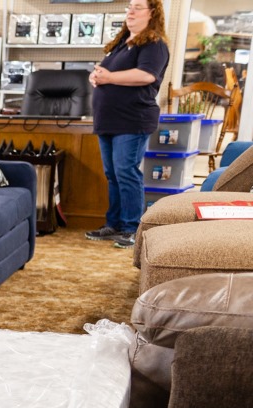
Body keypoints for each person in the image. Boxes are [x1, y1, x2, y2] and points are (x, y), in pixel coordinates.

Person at [86, 0, 169, 249]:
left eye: (137, 7)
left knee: (126, 172)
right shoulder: (122, 43)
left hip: (132, 119)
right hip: (108, 119)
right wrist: (96, 76)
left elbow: (146, 75)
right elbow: (106, 73)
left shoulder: (154, 44)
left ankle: (132, 228)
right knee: (113, 174)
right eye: (129, 6)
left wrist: (109, 77)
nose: (130, 11)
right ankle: (113, 224)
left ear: (152, 13)